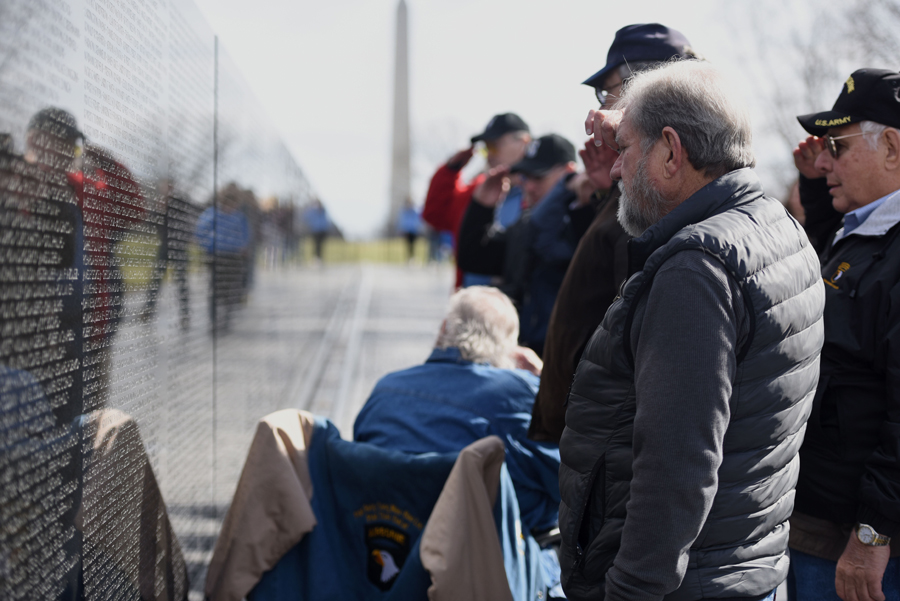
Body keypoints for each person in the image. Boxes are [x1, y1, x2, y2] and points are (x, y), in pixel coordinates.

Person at [557, 60, 825, 600]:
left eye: (626, 150)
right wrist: (636, 128)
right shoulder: (777, 230)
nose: (614, 171)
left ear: (672, 153)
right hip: (742, 569)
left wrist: (631, 590)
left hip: (684, 585)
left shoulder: (695, 270)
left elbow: (676, 467)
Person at [529, 22, 700, 443]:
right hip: (586, 429)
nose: (601, 107)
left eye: (610, 90)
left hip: (606, 438)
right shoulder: (633, 185)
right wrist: (612, 187)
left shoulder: (672, 195)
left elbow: (635, 310)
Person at [788, 68, 900, 601]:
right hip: (827, 525)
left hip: (865, 548)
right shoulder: (861, 232)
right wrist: (817, 187)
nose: (824, 158)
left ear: (893, 149)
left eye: (837, 143)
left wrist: (874, 531)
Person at [353, 285, 560, 535]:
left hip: (394, 548)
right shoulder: (520, 392)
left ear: (443, 330)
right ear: (511, 350)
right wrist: (547, 383)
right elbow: (572, 477)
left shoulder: (384, 391)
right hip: (494, 561)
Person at [456, 134, 577, 355]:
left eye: (538, 177)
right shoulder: (525, 224)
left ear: (569, 173)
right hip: (522, 359)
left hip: (568, 368)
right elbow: (473, 258)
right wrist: (481, 207)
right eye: (525, 177)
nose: (528, 186)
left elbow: (546, 247)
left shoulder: (583, 223)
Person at [421, 113, 531, 288]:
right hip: (469, 306)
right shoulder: (478, 191)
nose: (489, 155)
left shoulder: (538, 192)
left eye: (494, 146)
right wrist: (450, 170)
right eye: (485, 148)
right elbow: (435, 215)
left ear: (524, 142)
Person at [195, 183, 251, 331]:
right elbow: (201, 231)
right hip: (216, 255)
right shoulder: (211, 214)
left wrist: (242, 247)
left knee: (229, 289)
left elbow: (245, 235)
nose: (229, 208)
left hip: (233, 256)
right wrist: (209, 246)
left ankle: (226, 319)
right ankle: (213, 320)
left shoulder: (239, 217)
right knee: (214, 288)